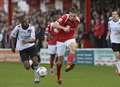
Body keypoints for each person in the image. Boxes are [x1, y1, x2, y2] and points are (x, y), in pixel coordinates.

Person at [52, 8, 80, 84]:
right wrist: (63, 28)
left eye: (73, 16)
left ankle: (68, 65)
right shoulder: (65, 17)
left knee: (74, 47)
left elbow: (75, 29)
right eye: (71, 16)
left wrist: (75, 34)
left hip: (70, 38)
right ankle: (58, 78)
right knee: (59, 61)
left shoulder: (78, 20)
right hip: (60, 40)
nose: (72, 17)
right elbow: (54, 25)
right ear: (69, 14)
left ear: (76, 16)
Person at [10, 16, 41, 83]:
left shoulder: (31, 28)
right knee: (27, 67)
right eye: (24, 22)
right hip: (22, 49)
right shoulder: (18, 28)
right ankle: (30, 62)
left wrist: (26, 41)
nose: (26, 22)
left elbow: (33, 39)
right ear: (22, 23)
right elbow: (12, 36)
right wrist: (13, 46)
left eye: (27, 21)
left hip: (31, 46)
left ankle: (37, 78)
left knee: (36, 61)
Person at [106, 10, 120, 76]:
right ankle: (119, 71)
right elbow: (109, 30)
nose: (114, 15)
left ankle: (117, 69)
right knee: (117, 55)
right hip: (114, 41)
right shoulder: (110, 22)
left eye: (115, 14)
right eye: (112, 14)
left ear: (118, 15)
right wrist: (107, 36)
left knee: (119, 57)